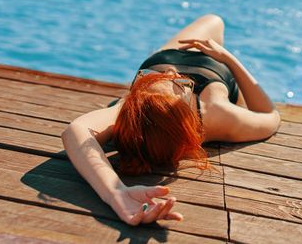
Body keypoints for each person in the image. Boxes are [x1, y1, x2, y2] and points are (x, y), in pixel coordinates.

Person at [61, 14, 281, 226]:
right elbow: (270, 115)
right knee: (214, 22)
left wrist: (115, 192)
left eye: (148, 80)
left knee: (214, 21)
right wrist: (228, 59)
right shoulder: (216, 113)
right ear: (188, 113)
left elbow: (75, 130)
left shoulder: (127, 110)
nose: (171, 71)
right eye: (177, 83)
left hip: (162, 56)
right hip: (215, 72)